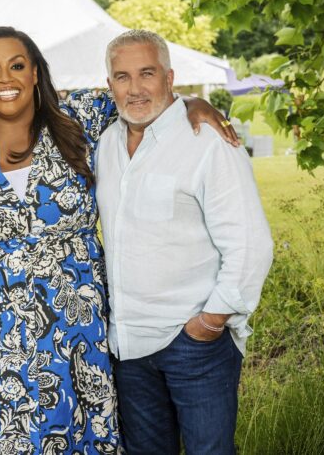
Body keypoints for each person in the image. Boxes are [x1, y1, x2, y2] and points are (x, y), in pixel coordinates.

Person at [0, 26, 235, 453]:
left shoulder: (80, 118)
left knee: (68, 431)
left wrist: (194, 102)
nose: (5, 79)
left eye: (17, 65)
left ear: (35, 72)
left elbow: (144, 96)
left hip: (69, 327)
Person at [95, 30, 274, 454]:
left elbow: (251, 244)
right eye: (122, 77)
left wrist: (209, 324)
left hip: (194, 345)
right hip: (128, 346)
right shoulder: (104, 145)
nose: (135, 88)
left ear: (170, 77)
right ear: (109, 86)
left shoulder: (209, 143)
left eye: (147, 73)